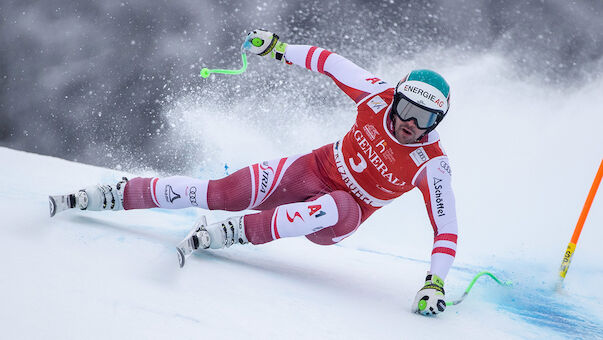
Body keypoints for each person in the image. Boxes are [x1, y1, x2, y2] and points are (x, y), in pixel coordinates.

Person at [51, 29, 458, 316]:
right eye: (405, 109)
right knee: (221, 193)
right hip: (313, 169)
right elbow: (329, 62)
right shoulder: (376, 95)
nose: (408, 123)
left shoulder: (432, 164)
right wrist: (278, 48)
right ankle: (123, 193)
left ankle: (234, 232)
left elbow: (446, 228)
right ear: (396, 97)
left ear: (437, 121)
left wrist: (433, 283)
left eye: (423, 119)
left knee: (334, 205)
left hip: (344, 215)